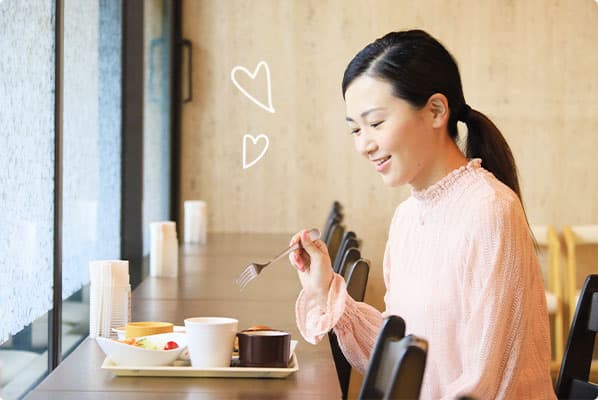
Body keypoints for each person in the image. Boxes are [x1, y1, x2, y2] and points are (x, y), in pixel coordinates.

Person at [289, 30, 555, 399]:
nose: (364, 144)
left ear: (435, 111)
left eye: (376, 123)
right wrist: (325, 289)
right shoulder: (408, 218)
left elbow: (488, 387)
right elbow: (400, 356)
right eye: (355, 128)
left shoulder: (491, 210)